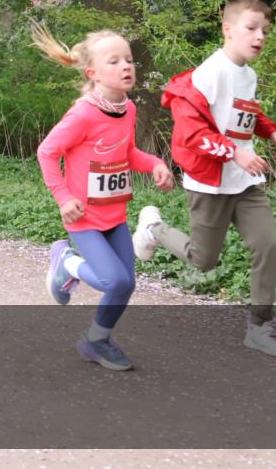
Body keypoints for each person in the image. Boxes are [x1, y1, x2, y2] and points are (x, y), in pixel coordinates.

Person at [132, 0, 276, 357]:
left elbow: (243, 112)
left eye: (265, 31)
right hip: (210, 183)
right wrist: (237, 152)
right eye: (251, 28)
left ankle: (259, 328)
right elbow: (191, 133)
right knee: (203, 260)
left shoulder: (247, 75)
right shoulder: (210, 73)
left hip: (246, 183)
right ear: (227, 29)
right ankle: (153, 230)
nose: (260, 36)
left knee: (267, 247)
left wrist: (270, 133)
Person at [35, 25, 173, 371]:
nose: (127, 66)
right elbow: (47, 152)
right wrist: (63, 197)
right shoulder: (83, 113)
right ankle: (65, 261)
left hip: (114, 216)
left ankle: (95, 341)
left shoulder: (127, 109)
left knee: (125, 286)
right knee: (116, 280)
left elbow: (127, 153)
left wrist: (155, 163)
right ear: (93, 73)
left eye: (128, 60)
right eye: (114, 61)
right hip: (83, 218)